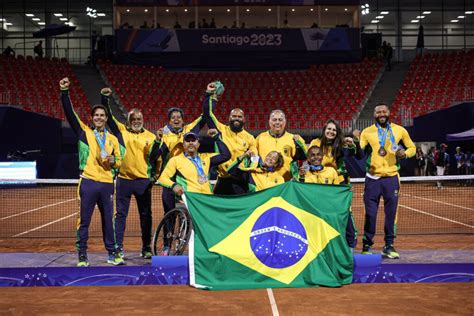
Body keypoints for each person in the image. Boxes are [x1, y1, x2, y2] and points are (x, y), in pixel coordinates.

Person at [59, 77, 124, 267]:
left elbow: (119, 162)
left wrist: (114, 162)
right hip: (87, 182)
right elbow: (70, 113)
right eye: (96, 115)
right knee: (84, 220)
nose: (99, 118)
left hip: (106, 184)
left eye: (102, 115)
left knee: (107, 220)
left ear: (106, 118)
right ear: (92, 118)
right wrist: (64, 92)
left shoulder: (112, 139)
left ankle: (112, 253)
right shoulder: (84, 133)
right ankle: (82, 255)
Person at [101, 88, 158, 260]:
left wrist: (154, 175)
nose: (136, 121)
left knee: (146, 215)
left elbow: (156, 158)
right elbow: (109, 118)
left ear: (143, 120)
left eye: (139, 119)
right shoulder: (121, 132)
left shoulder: (151, 136)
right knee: (120, 215)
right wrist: (105, 99)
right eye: (133, 119)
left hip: (143, 182)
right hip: (124, 181)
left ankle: (146, 247)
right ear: (128, 120)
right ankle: (118, 247)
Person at [359, 102, 415, 259]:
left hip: (391, 178)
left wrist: (406, 154)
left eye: (384, 111)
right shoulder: (367, 132)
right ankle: (366, 245)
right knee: (370, 213)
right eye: (378, 112)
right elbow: (360, 149)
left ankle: (389, 246)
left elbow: (412, 148)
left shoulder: (399, 130)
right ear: (374, 114)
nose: (381, 114)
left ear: (389, 112)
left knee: (391, 214)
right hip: (372, 178)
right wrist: (355, 142)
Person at [150, 106, 206, 235]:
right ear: (169, 121)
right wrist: (158, 140)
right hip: (169, 181)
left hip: (186, 181)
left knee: (185, 214)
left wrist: (211, 96)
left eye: (179, 117)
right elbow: (153, 157)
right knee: (169, 214)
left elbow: (203, 118)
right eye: (173, 118)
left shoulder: (188, 131)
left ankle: (182, 242)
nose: (176, 120)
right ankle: (166, 245)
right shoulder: (163, 135)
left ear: (183, 120)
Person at [307, 119, 362, 250]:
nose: (331, 132)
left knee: (345, 213)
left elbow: (359, 156)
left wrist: (355, 142)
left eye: (334, 130)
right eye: (329, 129)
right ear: (324, 130)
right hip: (319, 183)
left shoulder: (342, 144)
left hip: (339, 185)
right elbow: (309, 158)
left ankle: (350, 247)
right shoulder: (316, 143)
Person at [203, 81, 257, 195]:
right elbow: (208, 114)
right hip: (222, 179)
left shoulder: (250, 138)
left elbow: (254, 159)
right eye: (234, 116)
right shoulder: (221, 130)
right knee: (219, 210)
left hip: (240, 180)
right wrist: (209, 94)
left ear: (244, 119)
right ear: (229, 118)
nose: (236, 118)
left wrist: (247, 170)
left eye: (239, 116)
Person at [158, 129, 230, 196]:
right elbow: (162, 178)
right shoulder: (175, 160)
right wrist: (174, 185)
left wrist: (217, 137)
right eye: (187, 141)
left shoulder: (206, 157)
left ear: (198, 144)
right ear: (183, 145)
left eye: (193, 140)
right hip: (189, 199)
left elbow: (225, 155)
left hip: (207, 198)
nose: (190, 143)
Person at [255, 110, 307, 181]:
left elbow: (305, 159)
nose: (277, 122)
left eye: (280, 120)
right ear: (269, 122)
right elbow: (254, 158)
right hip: (264, 182)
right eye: (274, 120)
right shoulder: (260, 138)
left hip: (287, 182)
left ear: (285, 122)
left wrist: (298, 176)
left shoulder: (294, 139)